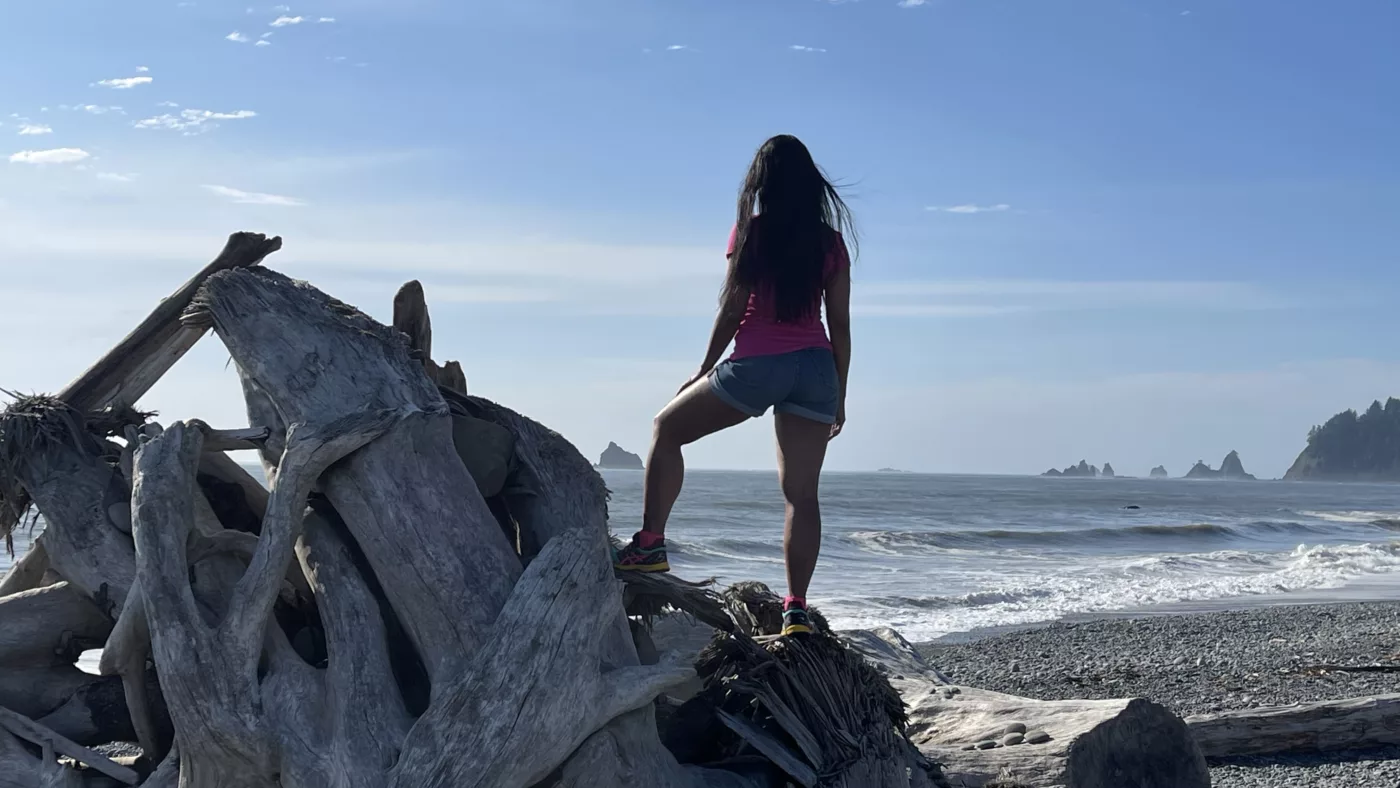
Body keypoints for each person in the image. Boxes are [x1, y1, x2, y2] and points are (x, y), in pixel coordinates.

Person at [612, 134, 854, 638]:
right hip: (815, 368)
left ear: (762, 182)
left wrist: (703, 368)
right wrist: (841, 394)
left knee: (666, 428)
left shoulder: (753, 233)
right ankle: (796, 611)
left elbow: (731, 307)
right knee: (801, 496)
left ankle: (650, 545)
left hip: (759, 362)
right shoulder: (830, 243)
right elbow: (841, 325)